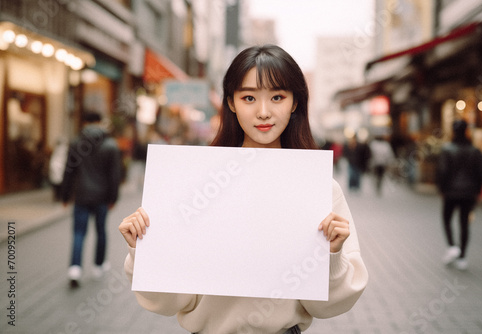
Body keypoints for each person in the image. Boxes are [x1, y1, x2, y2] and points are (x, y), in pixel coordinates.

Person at [118, 45, 368, 333]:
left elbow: (330, 304)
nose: (263, 112)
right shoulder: (197, 182)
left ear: (295, 102)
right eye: (249, 97)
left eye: (277, 97)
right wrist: (144, 250)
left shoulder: (320, 188)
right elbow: (172, 300)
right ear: (232, 102)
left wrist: (331, 255)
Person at [61, 111, 121, 288]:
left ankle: (75, 269)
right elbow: (114, 176)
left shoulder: (76, 143)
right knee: (101, 231)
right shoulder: (110, 145)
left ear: (85, 122)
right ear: (100, 122)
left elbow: (69, 171)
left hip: (81, 196)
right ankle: (98, 266)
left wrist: (65, 195)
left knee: (79, 232)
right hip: (102, 197)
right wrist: (113, 198)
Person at [436, 120, 482, 270]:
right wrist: (477, 190)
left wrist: (442, 189)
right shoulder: (475, 151)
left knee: (447, 219)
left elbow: (442, 171)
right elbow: (481, 173)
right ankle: (462, 257)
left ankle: (452, 246)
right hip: (469, 193)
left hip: (450, 192)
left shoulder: (447, 149)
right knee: (464, 223)